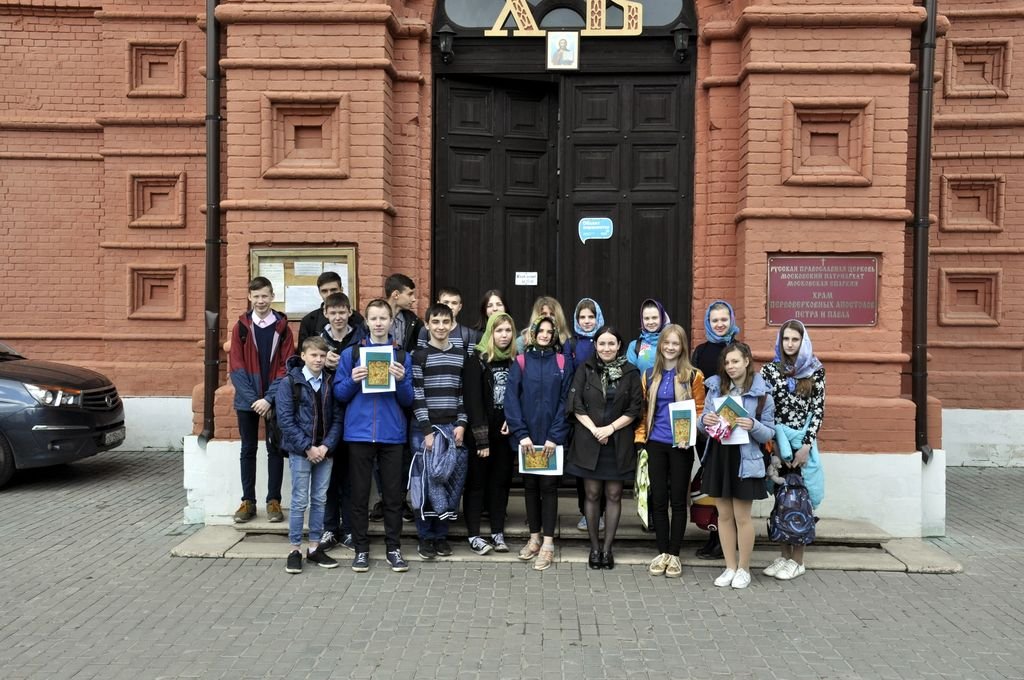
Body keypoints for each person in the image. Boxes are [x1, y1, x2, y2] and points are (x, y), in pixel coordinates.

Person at [334, 299, 415, 573]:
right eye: (374, 318)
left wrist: (401, 380)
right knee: (359, 496)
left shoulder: (402, 356)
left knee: (393, 497)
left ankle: (394, 548)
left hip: (392, 435)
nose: (379, 323)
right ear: (366, 322)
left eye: (383, 318)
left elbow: (408, 400)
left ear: (391, 321)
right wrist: (353, 380)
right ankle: (361, 549)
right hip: (359, 434)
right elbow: (339, 394)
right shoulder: (351, 354)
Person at [698, 342, 774, 589]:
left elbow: (769, 433)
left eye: (735, 361)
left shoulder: (762, 394)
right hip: (720, 456)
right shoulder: (715, 388)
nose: (730, 366)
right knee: (724, 516)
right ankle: (729, 567)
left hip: (745, 459)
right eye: (727, 362)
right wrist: (705, 420)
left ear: (747, 361)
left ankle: (744, 569)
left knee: (742, 517)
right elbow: (702, 425)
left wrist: (753, 425)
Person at [565, 325, 642, 569]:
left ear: (619, 346)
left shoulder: (631, 372)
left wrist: (609, 429)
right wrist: (595, 430)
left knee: (614, 495)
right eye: (602, 343)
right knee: (592, 494)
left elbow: (635, 408)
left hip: (617, 441)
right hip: (589, 439)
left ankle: (607, 549)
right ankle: (594, 547)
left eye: (611, 343)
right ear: (595, 346)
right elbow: (575, 403)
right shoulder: (585, 369)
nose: (606, 348)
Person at [635, 324, 705, 579]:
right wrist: (641, 439)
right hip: (655, 443)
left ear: (682, 346)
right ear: (660, 345)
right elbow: (643, 412)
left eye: (676, 343)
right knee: (658, 499)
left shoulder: (693, 375)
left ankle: (674, 554)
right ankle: (662, 552)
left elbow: (700, 409)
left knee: (678, 500)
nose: (670, 347)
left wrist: (691, 434)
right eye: (666, 342)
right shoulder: (649, 375)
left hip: (681, 445)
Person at [504, 316, 572, 571]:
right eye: (540, 331)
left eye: (549, 331)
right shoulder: (521, 362)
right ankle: (534, 538)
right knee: (530, 487)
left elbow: (566, 401)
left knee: (549, 487)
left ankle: (548, 544)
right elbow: (511, 399)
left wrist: (555, 436)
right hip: (528, 440)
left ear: (554, 335)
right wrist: (521, 434)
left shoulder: (562, 362)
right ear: (533, 333)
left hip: (552, 439)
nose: (544, 335)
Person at [760, 319, 826, 581]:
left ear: (802, 341)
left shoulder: (815, 370)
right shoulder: (769, 371)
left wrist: (806, 447)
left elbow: (817, 411)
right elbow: (766, 408)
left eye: (794, 339)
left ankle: (798, 561)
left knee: (800, 501)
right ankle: (784, 555)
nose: (789, 344)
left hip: (802, 445)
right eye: (785, 339)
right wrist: (775, 446)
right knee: (782, 500)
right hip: (777, 441)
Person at [229, 276, 295, 524]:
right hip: (248, 401)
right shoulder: (241, 328)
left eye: (264, 296)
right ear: (249, 297)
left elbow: (286, 366)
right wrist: (255, 400)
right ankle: (248, 501)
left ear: (272, 296)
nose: (260, 301)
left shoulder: (283, 327)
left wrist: (268, 399)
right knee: (248, 449)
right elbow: (236, 368)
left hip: (274, 400)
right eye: (256, 296)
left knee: (275, 449)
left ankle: (273, 501)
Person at [279, 337, 344, 574]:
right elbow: (285, 420)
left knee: (319, 500)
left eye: (322, 356)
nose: (318, 360)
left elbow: (337, 418)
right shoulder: (290, 382)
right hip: (301, 452)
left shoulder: (330, 381)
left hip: (324, 452)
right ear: (304, 356)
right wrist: (308, 447)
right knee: (299, 500)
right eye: (313, 355)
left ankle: (314, 547)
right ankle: (295, 549)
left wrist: (326, 446)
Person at [410, 303, 469, 560]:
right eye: (435, 322)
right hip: (425, 429)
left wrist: (462, 424)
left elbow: (463, 393)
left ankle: (441, 536)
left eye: (446, 322)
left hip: (452, 427)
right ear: (427, 325)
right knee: (425, 483)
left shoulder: (461, 355)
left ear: (452, 324)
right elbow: (417, 395)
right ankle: (425, 537)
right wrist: (426, 430)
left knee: (447, 481)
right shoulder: (418, 356)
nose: (441, 327)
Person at [690, 300, 741, 560]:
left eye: (724, 319)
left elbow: (745, 387)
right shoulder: (700, 352)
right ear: (708, 323)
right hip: (706, 428)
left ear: (731, 320)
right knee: (711, 482)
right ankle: (714, 534)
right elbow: (693, 387)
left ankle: (727, 540)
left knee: (727, 483)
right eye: (714, 320)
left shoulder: (739, 349)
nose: (719, 324)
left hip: (732, 428)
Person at [463, 312, 518, 554]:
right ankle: (474, 535)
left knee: (500, 483)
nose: (504, 335)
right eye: (499, 330)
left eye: (508, 330)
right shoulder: (477, 360)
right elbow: (473, 402)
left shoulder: (515, 361)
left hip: (505, 433)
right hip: (481, 434)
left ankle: (497, 532)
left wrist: (513, 422)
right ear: (490, 333)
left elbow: (518, 397)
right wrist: (481, 439)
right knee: (477, 484)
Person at [316, 292, 366, 554]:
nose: (337, 317)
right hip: (325, 411)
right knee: (328, 475)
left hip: (354, 411)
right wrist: (324, 362)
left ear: (349, 312)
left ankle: (348, 529)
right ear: (325, 313)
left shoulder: (361, 337)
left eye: (342, 312)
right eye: (333, 312)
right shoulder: (319, 339)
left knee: (350, 475)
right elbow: (304, 364)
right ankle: (329, 527)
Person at [564, 297, 607, 532]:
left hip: (603, 411)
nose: (587, 321)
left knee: (603, 465)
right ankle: (585, 511)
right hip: (579, 412)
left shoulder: (606, 340)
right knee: (584, 466)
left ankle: (601, 512)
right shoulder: (571, 344)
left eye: (591, 316)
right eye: (582, 317)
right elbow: (568, 377)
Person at [296, 271, 358, 347]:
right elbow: (303, 351)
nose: (329, 294)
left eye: (333, 290)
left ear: (341, 290)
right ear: (319, 292)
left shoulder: (357, 318)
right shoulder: (309, 321)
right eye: (324, 291)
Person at [417, 286, 480, 355]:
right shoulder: (425, 331)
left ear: (460, 307)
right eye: (446, 302)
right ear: (438, 304)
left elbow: (469, 360)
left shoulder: (468, 334)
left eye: (454, 303)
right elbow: (420, 355)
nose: (450, 307)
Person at [626, 298, 670, 374]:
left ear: (662, 318)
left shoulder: (672, 343)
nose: (650, 322)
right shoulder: (635, 346)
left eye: (654, 317)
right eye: (646, 318)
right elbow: (631, 376)